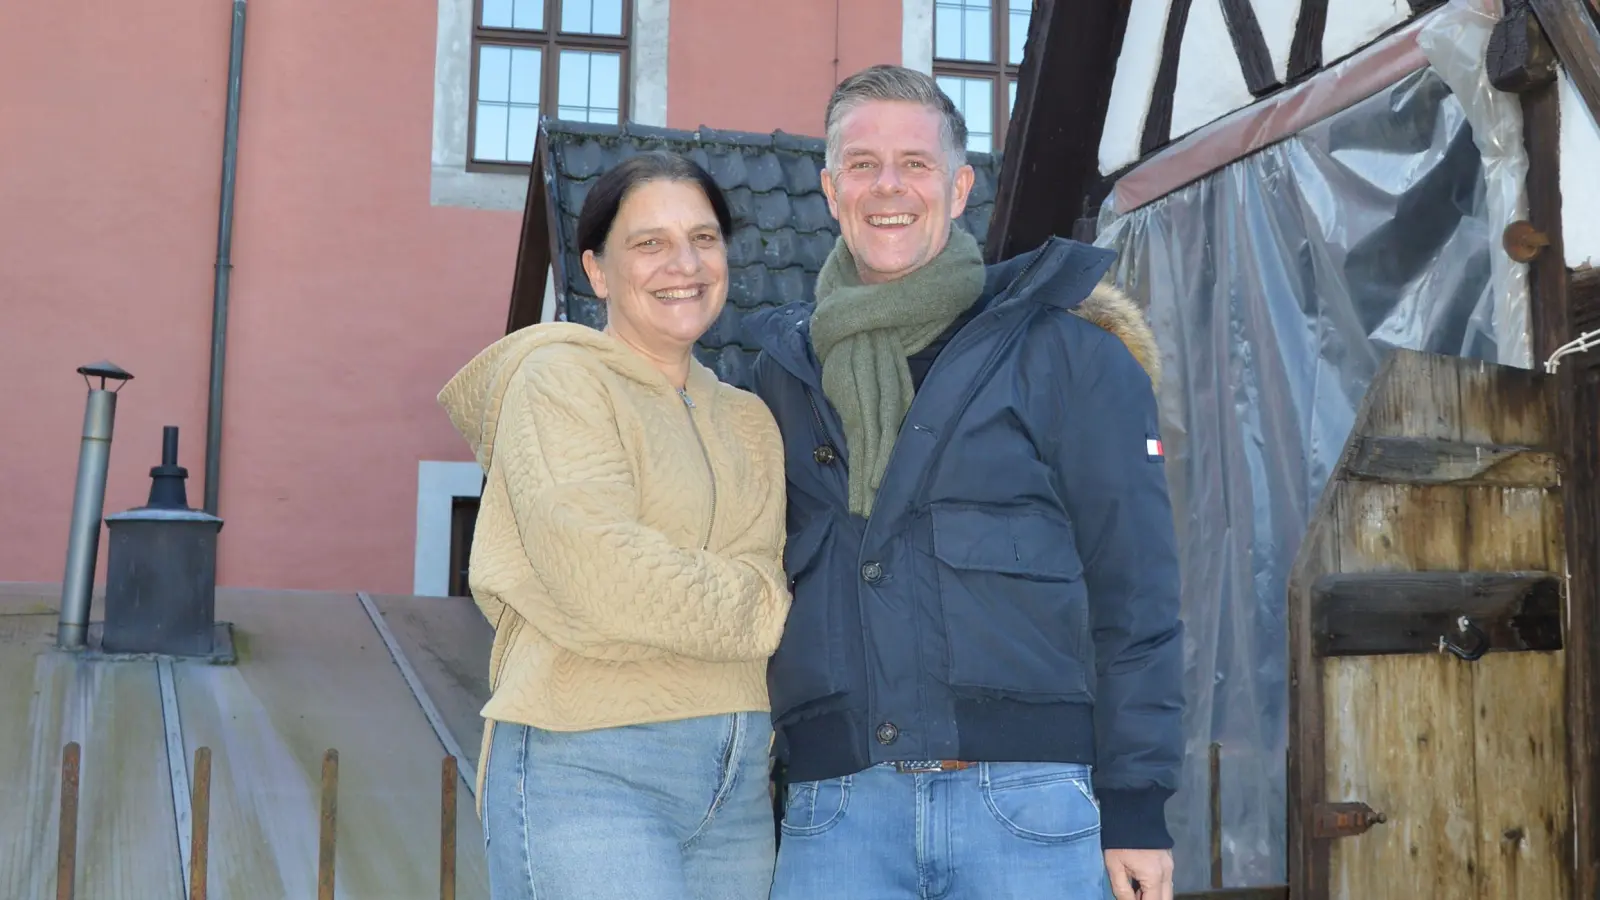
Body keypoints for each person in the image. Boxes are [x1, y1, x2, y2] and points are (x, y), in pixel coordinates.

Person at [745, 65, 1185, 900]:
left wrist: (1137, 808)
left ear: (959, 186)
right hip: (837, 810)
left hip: (1028, 805)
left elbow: (1138, 597)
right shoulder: (782, 376)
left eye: (915, 163)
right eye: (864, 164)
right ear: (831, 189)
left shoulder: (1067, 356)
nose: (890, 186)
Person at [437, 150, 792, 900]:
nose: (684, 264)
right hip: (589, 766)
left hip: (737, 787)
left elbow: (765, 575)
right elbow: (604, 576)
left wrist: (734, 597)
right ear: (597, 271)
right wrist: (756, 608)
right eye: (650, 243)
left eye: (703, 238)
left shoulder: (752, 421)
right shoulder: (559, 381)